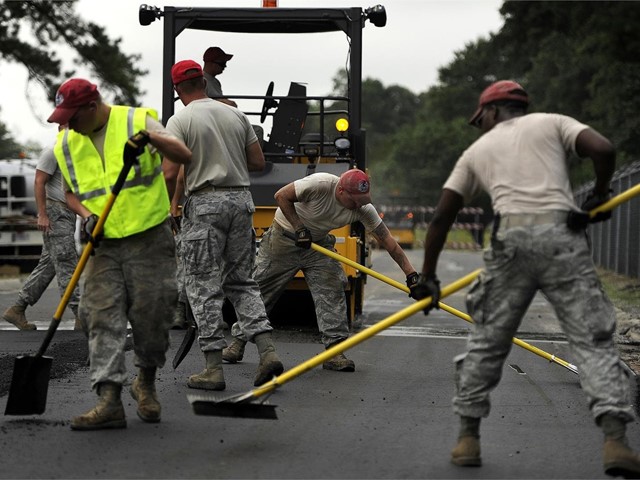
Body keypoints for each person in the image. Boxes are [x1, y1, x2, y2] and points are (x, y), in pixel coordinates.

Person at [412, 80, 640, 476]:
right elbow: (603, 149)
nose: (479, 126)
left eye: (479, 119)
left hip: (510, 242)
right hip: (562, 237)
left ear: (494, 111)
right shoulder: (553, 123)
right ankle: (616, 441)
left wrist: (428, 278)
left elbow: (440, 217)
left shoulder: (477, 151)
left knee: (487, 340)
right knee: (592, 340)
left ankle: (468, 438)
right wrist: (600, 194)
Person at [47, 77, 192, 430]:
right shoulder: (67, 142)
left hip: (149, 238)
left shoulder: (136, 121)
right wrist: (86, 214)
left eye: (71, 116)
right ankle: (109, 399)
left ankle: (145, 382)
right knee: (100, 316)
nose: (66, 124)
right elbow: (70, 193)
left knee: (152, 314)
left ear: (92, 108)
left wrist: (150, 139)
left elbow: (183, 155)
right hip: (103, 243)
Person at [163, 59, 283, 390]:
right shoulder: (236, 115)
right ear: (203, 82)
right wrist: (226, 160)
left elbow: (171, 172)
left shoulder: (180, 119)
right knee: (242, 281)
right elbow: (258, 162)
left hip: (204, 205)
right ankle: (268, 352)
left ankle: (213, 370)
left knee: (202, 285)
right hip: (241, 201)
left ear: (177, 89)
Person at [224, 169, 420, 372]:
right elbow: (281, 196)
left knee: (332, 288)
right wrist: (299, 227)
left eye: (363, 200)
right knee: (261, 291)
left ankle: (334, 352)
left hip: (317, 244)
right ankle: (237, 343)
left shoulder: (363, 208)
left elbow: (388, 241)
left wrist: (411, 275)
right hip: (283, 239)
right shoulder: (320, 184)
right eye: (354, 200)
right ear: (341, 190)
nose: (358, 205)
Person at [2, 138, 83, 332]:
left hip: (66, 213)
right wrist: (43, 214)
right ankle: (81, 314)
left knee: (48, 266)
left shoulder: (73, 153)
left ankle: (17, 309)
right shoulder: (53, 151)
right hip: (56, 213)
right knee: (67, 263)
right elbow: (39, 181)